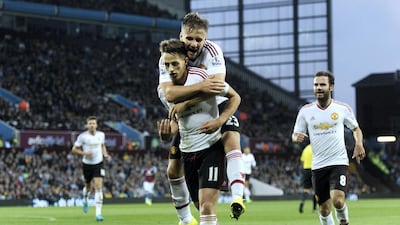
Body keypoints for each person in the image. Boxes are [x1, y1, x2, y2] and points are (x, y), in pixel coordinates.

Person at [158, 12, 245, 224]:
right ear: (181, 36)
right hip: (189, 121)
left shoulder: (213, 52)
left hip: (216, 107)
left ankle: (238, 196)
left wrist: (184, 104)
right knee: (172, 170)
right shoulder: (168, 58)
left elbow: (214, 88)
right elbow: (169, 94)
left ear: (205, 40)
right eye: (189, 38)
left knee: (231, 138)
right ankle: (186, 219)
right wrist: (178, 114)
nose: (194, 43)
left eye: (199, 39)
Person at [292, 70, 366, 225]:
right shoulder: (305, 111)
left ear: (331, 87)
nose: (318, 87)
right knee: (324, 209)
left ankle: (343, 219)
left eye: (322, 84)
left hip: (338, 161)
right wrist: (296, 137)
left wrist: (359, 144)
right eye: (316, 84)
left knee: (338, 200)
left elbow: (356, 129)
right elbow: (295, 134)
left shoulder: (342, 109)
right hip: (318, 165)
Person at [71, 116, 111, 222]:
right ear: (87, 125)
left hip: (98, 163)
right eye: (90, 123)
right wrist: (84, 153)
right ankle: (85, 199)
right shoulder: (82, 137)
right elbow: (74, 150)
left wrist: (106, 154)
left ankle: (98, 214)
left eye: (93, 123)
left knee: (98, 186)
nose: (92, 125)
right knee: (88, 186)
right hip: (87, 164)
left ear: (96, 125)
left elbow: (102, 146)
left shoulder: (101, 135)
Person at [298, 143, 317, 213]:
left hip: (306, 170)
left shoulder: (305, 149)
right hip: (314, 169)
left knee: (306, 189)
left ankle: (302, 202)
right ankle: (314, 209)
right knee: (316, 190)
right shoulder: (316, 147)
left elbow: (302, 161)